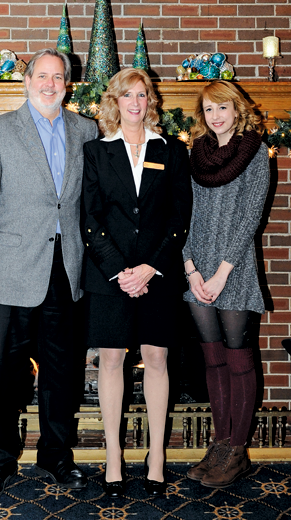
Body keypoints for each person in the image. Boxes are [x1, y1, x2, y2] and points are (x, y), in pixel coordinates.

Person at [0, 48, 98, 502]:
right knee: (6, 374)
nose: (49, 84)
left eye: (57, 77)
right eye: (41, 76)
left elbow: (89, 204)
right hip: (11, 273)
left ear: (67, 84)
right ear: (27, 81)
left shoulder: (87, 130)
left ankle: (57, 456)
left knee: (63, 373)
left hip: (68, 269)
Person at [81, 68, 192, 498]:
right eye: (127, 94)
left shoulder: (172, 150)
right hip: (110, 277)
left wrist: (150, 267)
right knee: (110, 361)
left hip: (157, 274)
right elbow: (88, 217)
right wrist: (121, 270)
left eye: (142, 95)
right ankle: (113, 458)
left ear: (151, 102)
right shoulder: (95, 151)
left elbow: (179, 218)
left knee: (157, 360)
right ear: (115, 101)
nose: (135, 102)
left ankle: (157, 457)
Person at [183, 80, 270, 488]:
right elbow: (185, 213)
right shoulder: (195, 154)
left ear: (237, 109)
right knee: (212, 357)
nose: (216, 116)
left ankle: (238, 450)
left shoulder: (255, 152)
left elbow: (251, 216)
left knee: (238, 357)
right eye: (209, 109)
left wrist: (221, 272)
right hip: (197, 270)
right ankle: (219, 442)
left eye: (222, 108)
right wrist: (190, 267)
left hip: (232, 269)